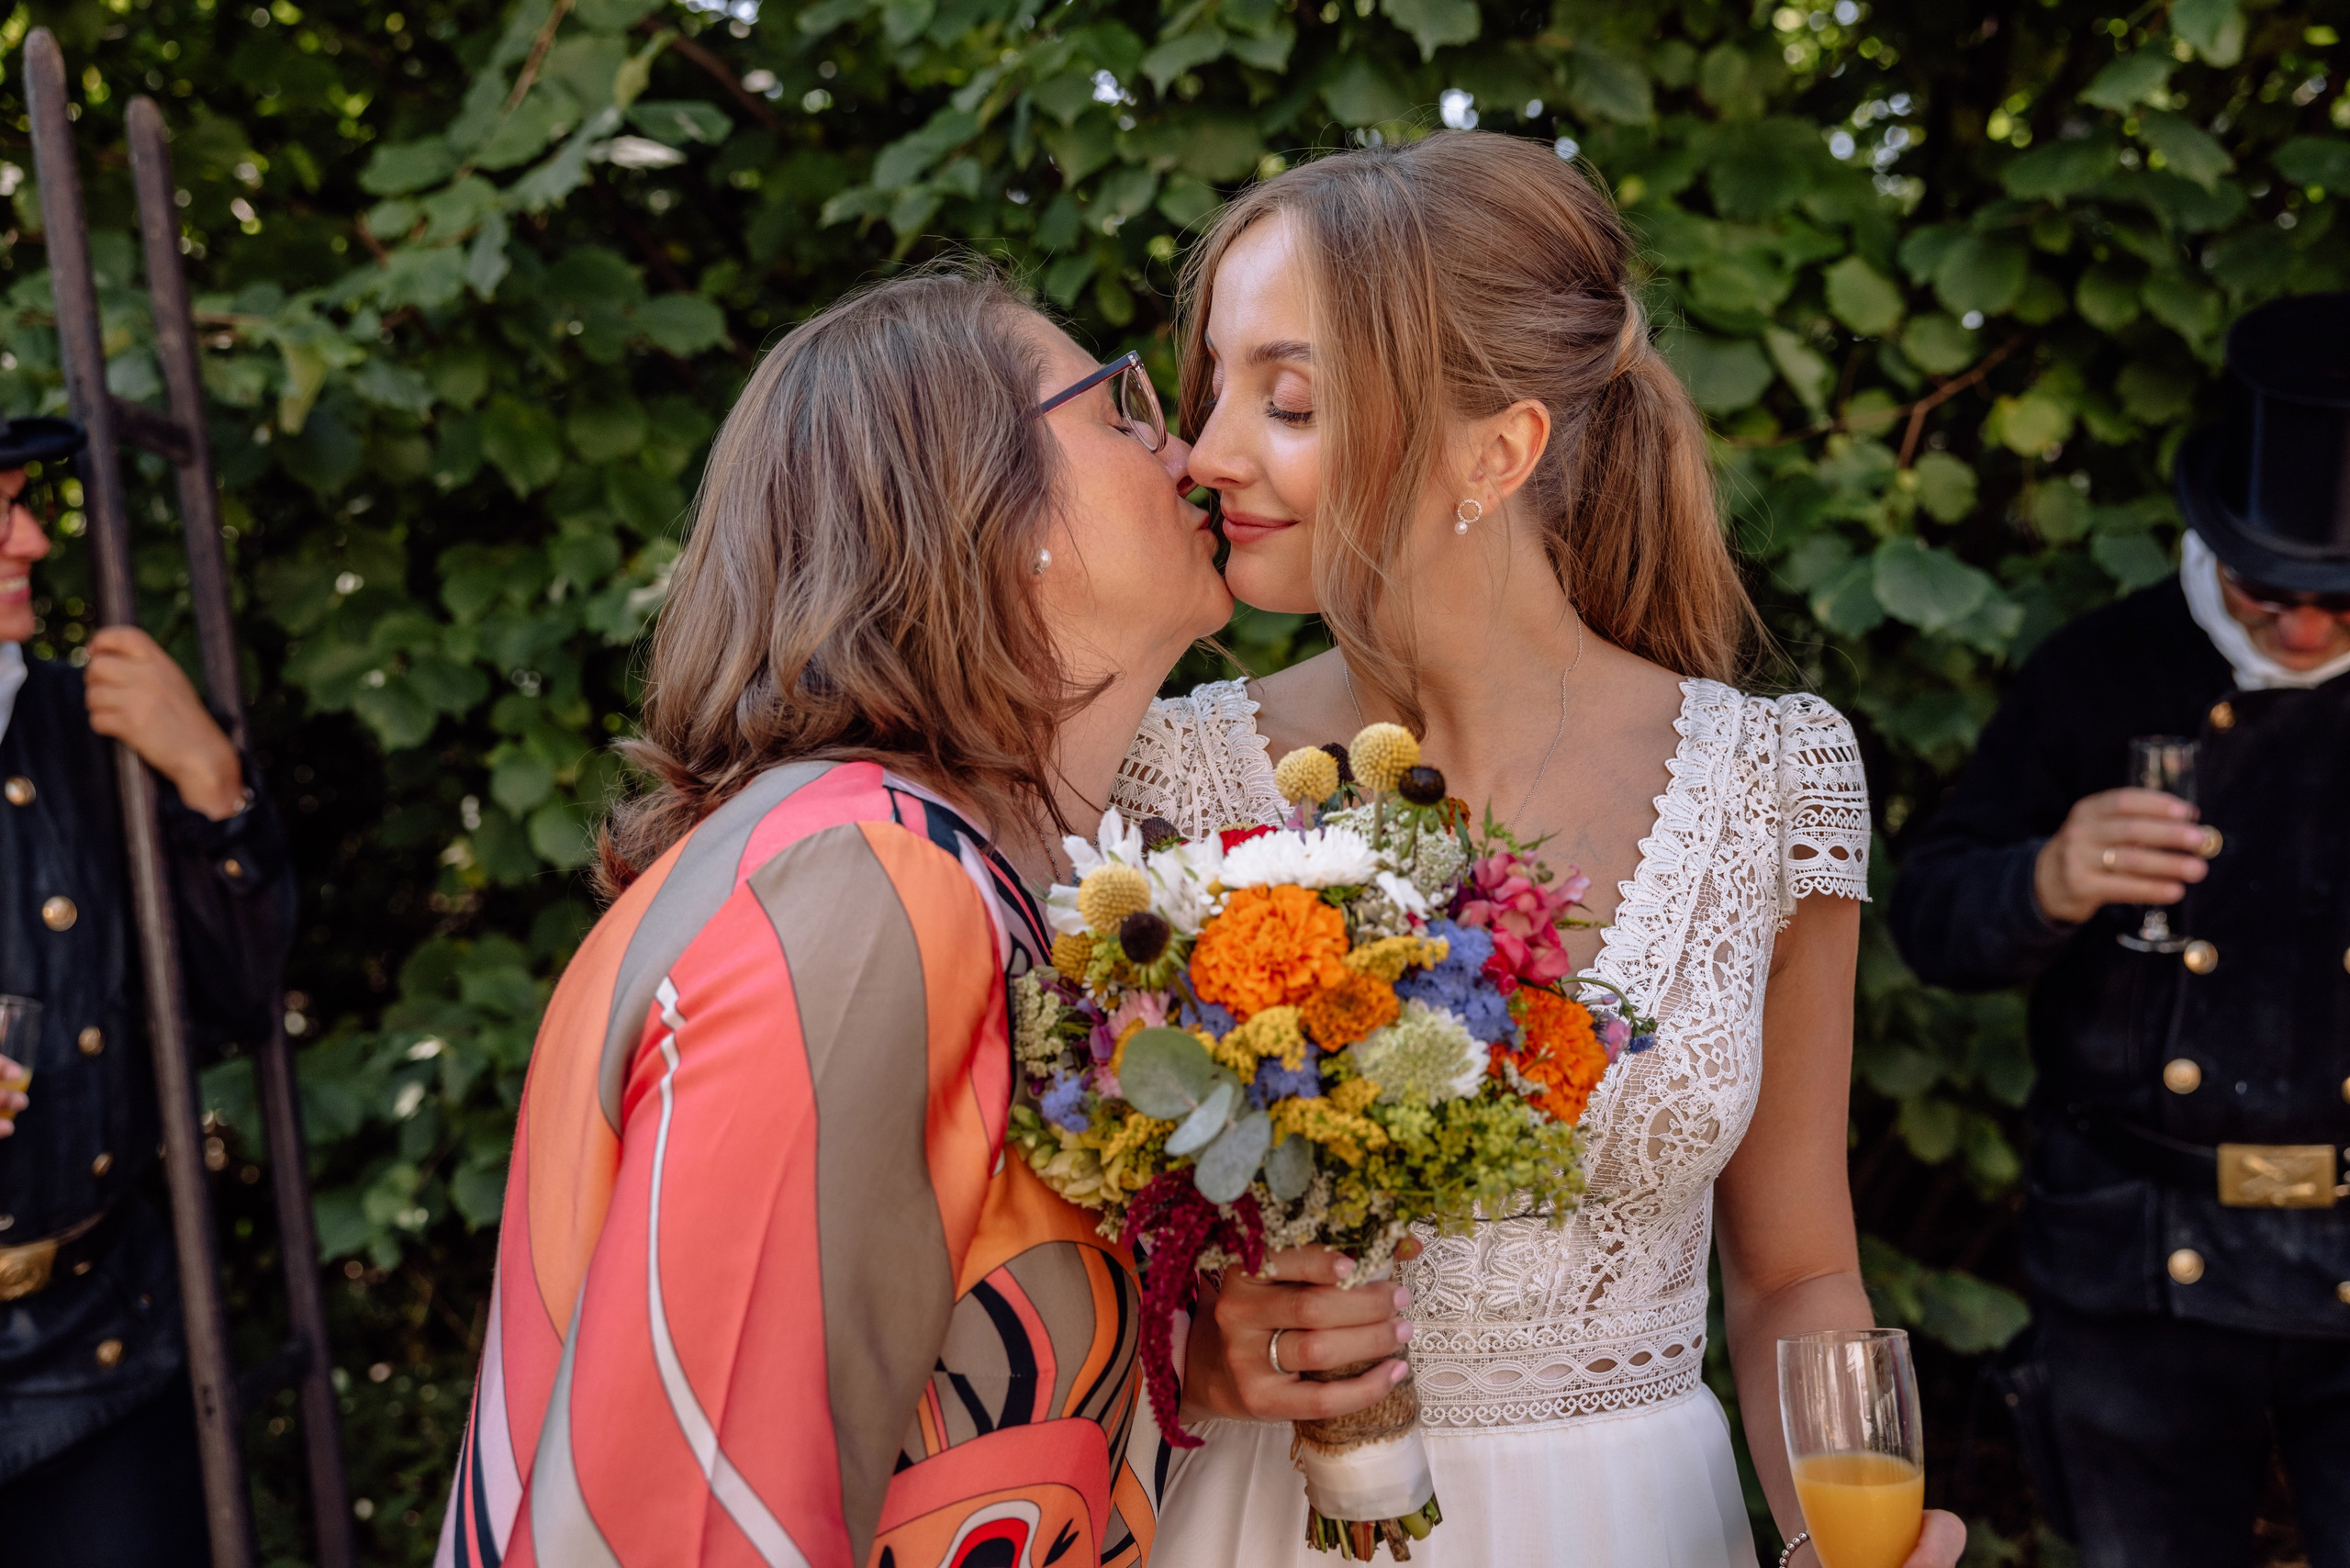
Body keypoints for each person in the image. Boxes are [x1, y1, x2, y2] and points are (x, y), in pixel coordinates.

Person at [1111, 131, 1966, 1567]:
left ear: (1497, 451)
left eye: (1293, 400)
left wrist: (1843, 1539)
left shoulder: (1773, 778)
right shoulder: (1156, 772)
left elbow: (1798, 1271)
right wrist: (1192, 1354)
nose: (1205, 455)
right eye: (1213, 389)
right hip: (1260, 1524)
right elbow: (1058, 1248)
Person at [433, 268, 1233, 1568]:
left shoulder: (937, 870)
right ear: (974, 497)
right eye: (1117, 408)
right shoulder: (870, 879)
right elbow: (697, 1518)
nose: (1182, 449)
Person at [1890, 293, 2350, 1568]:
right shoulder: (2101, 670)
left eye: (2344, 599)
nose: (2306, 627)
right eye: (2276, 586)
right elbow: (1928, 917)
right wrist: (2044, 877)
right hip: (2137, 1254)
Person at [0, 423, 295, 1567]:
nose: (29, 537)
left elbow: (230, 1001)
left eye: (25, 501)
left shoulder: (84, 727)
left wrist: (208, 781)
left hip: (97, 1358)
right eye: (1, 514)